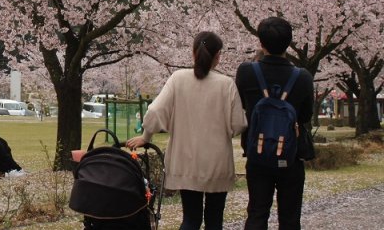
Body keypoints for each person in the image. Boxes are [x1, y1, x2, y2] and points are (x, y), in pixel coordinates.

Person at [127, 31, 246, 230]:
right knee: (215, 220)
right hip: (217, 162)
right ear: (218, 56)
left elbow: (155, 110)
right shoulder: (226, 84)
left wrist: (146, 136)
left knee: (191, 219)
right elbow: (238, 124)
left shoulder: (178, 79)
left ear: (193, 53)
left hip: (186, 160)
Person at [235, 17, 314, 230]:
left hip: (258, 152)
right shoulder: (303, 77)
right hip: (290, 154)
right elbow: (306, 115)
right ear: (289, 43)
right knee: (290, 217)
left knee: (257, 213)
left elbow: (242, 104)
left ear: (261, 42)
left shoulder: (246, 72)